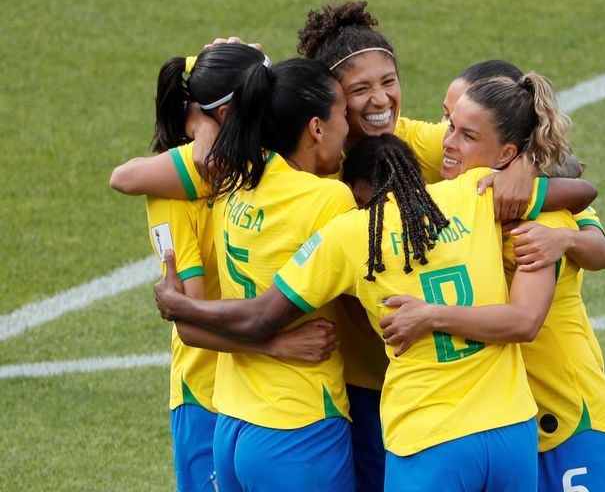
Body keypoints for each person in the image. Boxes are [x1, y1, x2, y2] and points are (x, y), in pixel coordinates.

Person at [155, 131, 566, 490]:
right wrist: (527, 166)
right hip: (511, 429)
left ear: (356, 191)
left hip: (428, 437)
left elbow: (262, 315)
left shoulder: (351, 234)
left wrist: (181, 306)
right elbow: (577, 187)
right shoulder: (473, 192)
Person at [383, 72, 605, 491]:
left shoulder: (541, 216)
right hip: (512, 428)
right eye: (448, 125)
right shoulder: (469, 201)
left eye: (466, 134)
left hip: (569, 421)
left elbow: (527, 318)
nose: (446, 141)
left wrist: (567, 239)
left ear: (509, 151)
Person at [111, 46, 344, 492]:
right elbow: (190, 320)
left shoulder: (252, 161)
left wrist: (199, 120)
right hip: (207, 390)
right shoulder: (191, 179)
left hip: (251, 397)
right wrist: (277, 344)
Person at [440, 60, 605, 272]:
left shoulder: (532, 199)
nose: (444, 135)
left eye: (469, 132)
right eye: (449, 117)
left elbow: (602, 253)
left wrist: (566, 239)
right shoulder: (452, 157)